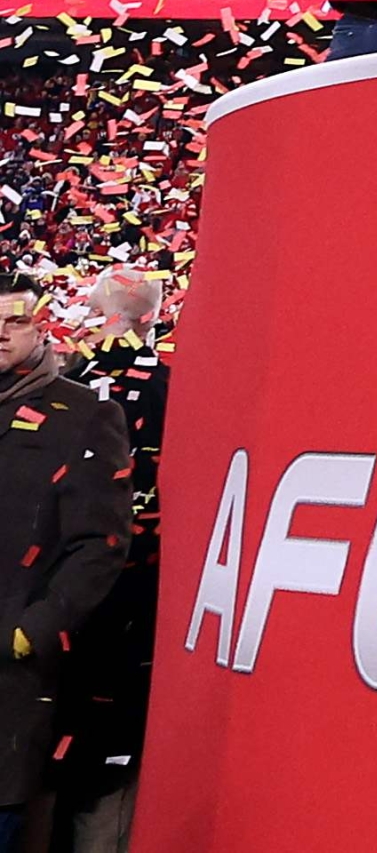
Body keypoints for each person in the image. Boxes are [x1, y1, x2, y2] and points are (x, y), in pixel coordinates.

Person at [0, 275, 129, 853]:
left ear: (40, 325)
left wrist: (33, 629)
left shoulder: (82, 416)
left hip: (10, 676)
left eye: (15, 321)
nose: (0, 335)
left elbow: (101, 543)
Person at [52, 271, 167, 853]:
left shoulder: (60, 385)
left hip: (56, 596)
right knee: (110, 753)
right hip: (136, 593)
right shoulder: (175, 385)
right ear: (152, 317)